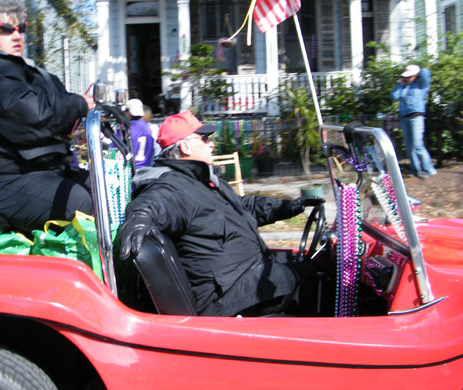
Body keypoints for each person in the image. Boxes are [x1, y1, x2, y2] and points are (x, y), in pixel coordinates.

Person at [118, 110, 323, 317]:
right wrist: (139, 219)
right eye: (204, 138)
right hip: (225, 296)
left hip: (244, 276)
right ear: (185, 146)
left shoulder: (202, 181)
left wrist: (284, 208)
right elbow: (153, 203)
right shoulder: (173, 186)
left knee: (307, 266)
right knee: (314, 277)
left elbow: (241, 206)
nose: (211, 144)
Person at [0, 0, 95, 233]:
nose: (16, 35)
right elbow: (31, 116)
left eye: (20, 29)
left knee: (101, 187)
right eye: (5, 30)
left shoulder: (9, 68)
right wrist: (79, 103)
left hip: (18, 170)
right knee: (76, 202)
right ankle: (62, 266)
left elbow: (48, 104)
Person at [390, 64, 437, 179]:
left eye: (409, 76)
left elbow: (426, 72)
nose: (406, 78)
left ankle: (429, 169)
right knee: (409, 146)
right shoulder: (404, 87)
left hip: (417, 117)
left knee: (417, 145)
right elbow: (393, 96)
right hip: (404, 117)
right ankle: (415, 170)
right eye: (405, 76)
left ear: (415, 76)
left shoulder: (421, 85)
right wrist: (401, 84)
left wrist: (417, 73)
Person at [126, 99, 154, 168]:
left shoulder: (126, 128)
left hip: (132, 169)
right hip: (147, 168)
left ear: (129, 112)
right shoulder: (148, 128)